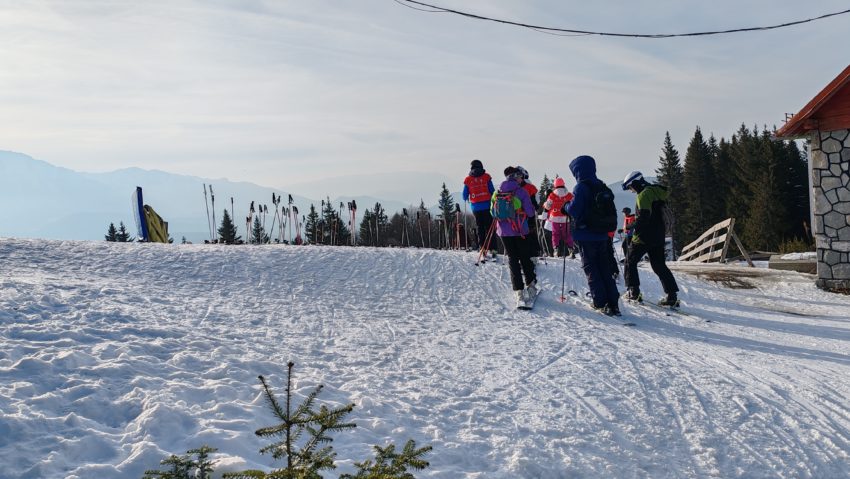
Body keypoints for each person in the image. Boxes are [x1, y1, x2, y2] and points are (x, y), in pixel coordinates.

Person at [564, 155, 621, 316]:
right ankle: (613, 303)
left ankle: (600, 302)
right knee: (604, 268)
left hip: (586, 235)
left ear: (577, 171)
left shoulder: (581, 187)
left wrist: (566, 206)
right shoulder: (601, 185)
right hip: (602, 234)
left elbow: (574, 210)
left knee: (592, 269)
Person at [621, 171, 679, 306]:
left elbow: (644, 218)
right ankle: (672, 296)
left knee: (630, 262)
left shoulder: (643, 195)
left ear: (635, 183)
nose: (631, 190)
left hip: (644, 236)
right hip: (659, 235)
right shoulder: (656, 191)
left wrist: (630, 226)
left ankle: (633, 292)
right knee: (659, 265)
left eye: (630, 187)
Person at [492, 166, 538, 307]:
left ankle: (518, 290)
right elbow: (530, 213)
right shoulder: (521, 192)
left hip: (504, 232)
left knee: (512, 259)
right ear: (516, 177)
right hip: (520, 230)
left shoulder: (497, 192)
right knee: (524, 257)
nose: (521, 179)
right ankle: (531, 286)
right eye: (520, 176)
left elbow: (492, 212)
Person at [462, 159, 495, 252]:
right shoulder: (486, 177)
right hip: (488, 206)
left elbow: (464, 196)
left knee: (480, 227)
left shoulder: (468, 179)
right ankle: (493, 249)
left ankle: (482, 247)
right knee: (489, 227)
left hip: (476, 208)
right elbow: (492, 191)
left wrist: (467, 198)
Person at [543, 177, 574, 257]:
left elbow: (548, 206)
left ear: (555, 185)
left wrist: (544, 207)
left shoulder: (552, 195)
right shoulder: (569, 195)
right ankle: (571, 249)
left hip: (555, 217)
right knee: (567, 234)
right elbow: (574, 204)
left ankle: (556, 249)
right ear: (563, 184)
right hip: (565, 218)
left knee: (555, 234)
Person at [516, 166, 541, 258]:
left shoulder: (515, 187)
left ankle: (523, 253)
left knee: (521, 233)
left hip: (518, 214)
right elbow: (537, 200)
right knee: (531, 232)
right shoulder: (531, 186)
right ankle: (535, 252)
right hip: (530, 213)